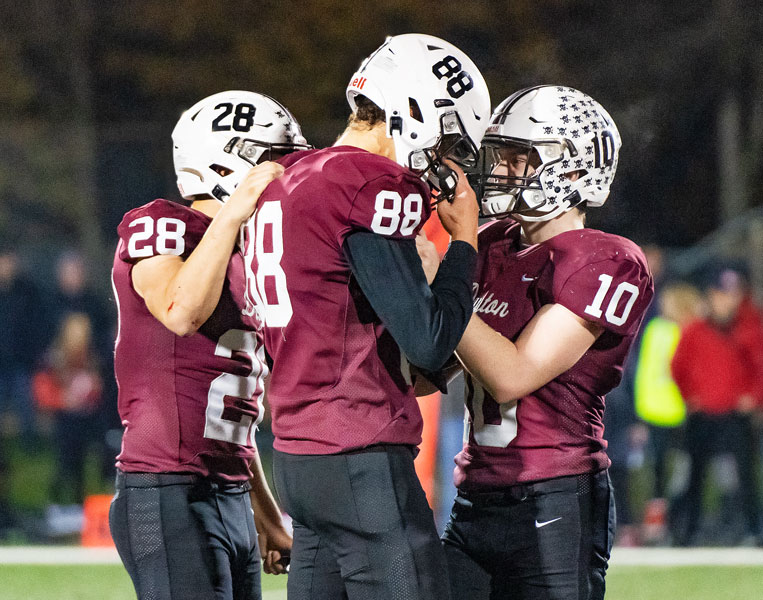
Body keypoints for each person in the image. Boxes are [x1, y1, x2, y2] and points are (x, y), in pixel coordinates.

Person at [241, 33, 490, 600]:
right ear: (414, 112)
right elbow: (427, 341)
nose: (446, 160)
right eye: (448, 138)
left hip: (299, 457)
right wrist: (464, 244)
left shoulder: (290, 175)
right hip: (360, 454)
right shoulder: (366, 182)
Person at [436, 85, 654, 600]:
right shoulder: (492, 243)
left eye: (519, 159)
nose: (502, 171)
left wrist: (443, 283)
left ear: (573, 171)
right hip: (475, 495)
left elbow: (512, 375)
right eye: (502, 156)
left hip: (554, 495)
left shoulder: (604, 259)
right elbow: (432, 367)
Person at [109, 90, 309, 600]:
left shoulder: (247, 254)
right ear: (230, 162)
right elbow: (181, 311)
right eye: (273, 162)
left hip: (230, 492)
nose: (286, 176)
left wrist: (267, 515)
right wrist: (236, 210)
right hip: (166, 487)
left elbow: (236, 418)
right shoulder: (161, 222)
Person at [670, 264, 762, 546]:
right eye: (723, 294)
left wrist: (754, 396)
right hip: (703, 415)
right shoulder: (695, 330)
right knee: (694, 475)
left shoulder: (750, 328)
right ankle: (688, 530)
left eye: (733, 294)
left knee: (745, 475)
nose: (728, 300)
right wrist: (689, 396)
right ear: (711, 295)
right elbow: (678, 367)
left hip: (735, 414)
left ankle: (751, 530)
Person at [32, 312, 103, 505]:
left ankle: (78, 505)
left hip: (83, 419)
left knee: (81, 465)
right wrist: (63, 400)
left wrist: (91, 392)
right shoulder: (54, 357)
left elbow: (96, 388)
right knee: (63, 464)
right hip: (61, 419)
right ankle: (55, 505)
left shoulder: (90, 358)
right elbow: (42, 389)